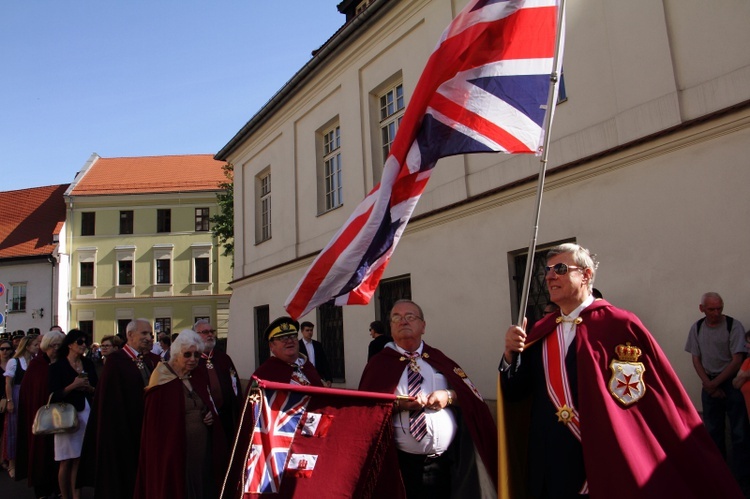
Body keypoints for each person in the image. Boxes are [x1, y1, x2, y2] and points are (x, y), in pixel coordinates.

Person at [501, 243, 743, 498]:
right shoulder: (542, 330)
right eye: (547, 270)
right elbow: (516, 391)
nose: (549, 276)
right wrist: (509, 354)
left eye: (560, 268)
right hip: (551, 464)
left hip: (601, 458)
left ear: (586, 275)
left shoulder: (619, 324)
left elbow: (644, 400)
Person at [359, 300, 497, 498]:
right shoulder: (379, 365)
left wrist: (448, 396)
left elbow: (471, 396)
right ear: (390, 327)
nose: (403, 321)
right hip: (400, 466)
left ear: (423, 326)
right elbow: (365, 411)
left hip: (445, 464)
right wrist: (397, 405)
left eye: (410, 317)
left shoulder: (439, 359)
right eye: (396, 317)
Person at [135, 329, 225, 499]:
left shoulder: (197, 375)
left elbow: (207, 403)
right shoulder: (162, 379)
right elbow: (156, 426)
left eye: (197, 355)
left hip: (201, 449)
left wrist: (210, 414)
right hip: (174, 451)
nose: (193, 359)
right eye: (188, 354)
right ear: (176, 354)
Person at [77, 319, 160, 499]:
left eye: (151, 334)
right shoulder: (116, 361)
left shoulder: (148, 360)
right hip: (122, 430)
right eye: (144, 333)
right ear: (130, 335)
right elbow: (109, 402)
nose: (149, 338)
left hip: (143, 427)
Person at [685, 292, 750, 492]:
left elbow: (737, 359)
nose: (716, 312)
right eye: (711, 309)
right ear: (702, 309)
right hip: (710, 382)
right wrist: (708, 384)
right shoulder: (697, 328)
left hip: (730, 381)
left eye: (719, 308)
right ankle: (718, 480)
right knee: (713, 433)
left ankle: (742, 482)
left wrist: (717, 384)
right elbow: (696, 358)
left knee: (739, 434)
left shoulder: (733, 326)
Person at [15, 329, 64, 498]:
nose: (56, 349)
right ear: (46, 346)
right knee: (40, 452)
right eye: (53, 345)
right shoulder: (37, 365)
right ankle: (42, 489)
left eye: (59, 345)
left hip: (61, 418)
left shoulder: (62, 363)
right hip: (41, 418)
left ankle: (58, 487)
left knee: (59, 454)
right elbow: (32, 391)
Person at [49, 329, 97, 499]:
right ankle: (65, 494)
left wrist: (88, 388)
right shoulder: (57, 367)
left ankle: (77, 495)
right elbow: (53, 395)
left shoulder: (88, 364)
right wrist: (73, 386)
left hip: (86, 412)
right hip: (65, 417)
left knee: (79, 458)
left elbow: (96, 388)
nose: (84, 345)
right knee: (65, 459)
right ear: (70, 345)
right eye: (80, 342)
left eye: (86, 342)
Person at [192, 319, 241, 455]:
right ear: (195, 336)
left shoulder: (224, 358)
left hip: (227, 417)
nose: (210, 335)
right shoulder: (192, 361)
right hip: (206, 419)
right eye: (205, 332)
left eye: (212, 331)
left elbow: (235, 386)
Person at [3, 333, 40, 478]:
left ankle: (27, 462)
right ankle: (12, 463)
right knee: (13, 428)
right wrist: (9, 400)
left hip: (30, 396)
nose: (37, 347)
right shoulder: (14, 362)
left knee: (29, 427)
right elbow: (8, 382)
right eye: (35, 345)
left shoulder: (34, 361)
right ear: (27, 346)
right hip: (18, 394)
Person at [297, 321, 333, 386]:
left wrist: (328, 378)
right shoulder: (298, 345)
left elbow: (324, 362)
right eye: (307, 330)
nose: (309, 332)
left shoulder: (317, 345)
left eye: (311, 330)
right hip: (304, 377)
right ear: (302, 331)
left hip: (317, 376)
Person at [0, 337, 13, 473]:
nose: (4, 351)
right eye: (2, 349)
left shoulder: (12, 363)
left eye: (7, 349)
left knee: (6, 431)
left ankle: (4, 459)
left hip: (8, 399)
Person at [733, 330, 750, 421]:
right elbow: (736, 384)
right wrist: (746, 374)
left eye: (749, 343)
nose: (747, 346)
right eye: (747, 343)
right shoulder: (747, 362)